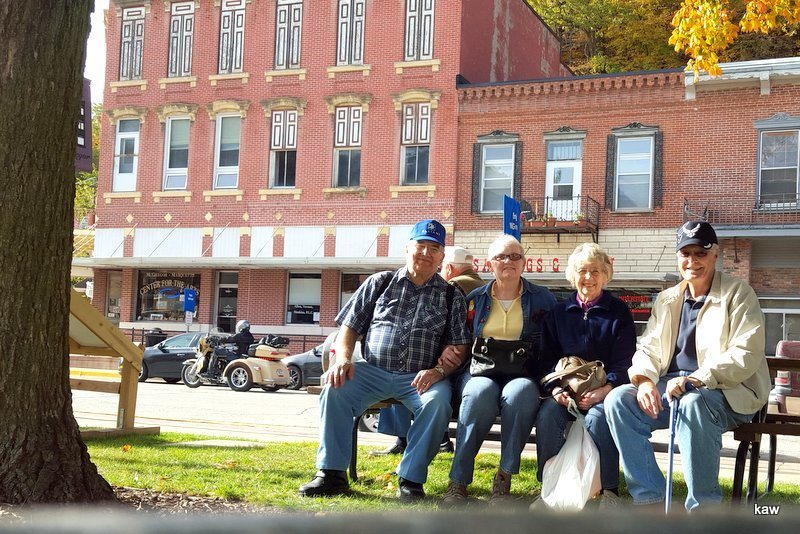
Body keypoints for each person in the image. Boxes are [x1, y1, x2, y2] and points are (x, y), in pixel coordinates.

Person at [298, 219, 471, 500]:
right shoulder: (380, 282)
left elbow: (459, 346)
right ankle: (331, 474)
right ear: (407, 249)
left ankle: (411, 479)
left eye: (434, 248)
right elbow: (349, 328)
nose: (426, 253)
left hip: (421, 376)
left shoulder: (452, 295)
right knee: (335, 389)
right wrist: (342, 359)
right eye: (421, 245)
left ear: (442, 257)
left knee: (437, 403)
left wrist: (438, 370)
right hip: (373, 370)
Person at [605, 221, 771, 511]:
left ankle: (703, 510)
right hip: (671, 387)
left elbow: (746, 352)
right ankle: (651, 501)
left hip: (728, 391)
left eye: (700, 253)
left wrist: (697, 378)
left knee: (694, 402)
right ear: (678, 257)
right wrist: (644, 381)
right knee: (618, 400)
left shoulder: (738, 294)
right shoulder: (668, 298)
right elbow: (649, 347)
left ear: (715, 255)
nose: (692, 261)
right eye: (686, 254)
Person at [440, 234, 556, 507]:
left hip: (522, 373)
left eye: (515, 256)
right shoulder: (474, 299)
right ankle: (458, 482)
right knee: (478, 393)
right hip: (480, 371)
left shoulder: (543, 299)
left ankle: (504, 477)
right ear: (489, 263)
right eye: (501, 256)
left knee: (523, 393)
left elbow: (554, 341)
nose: (508, 261)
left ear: (524, 263)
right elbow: (459, 340)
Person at [534, 243, 636, 508]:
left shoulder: (619, 312)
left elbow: (625, 360)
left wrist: (605, 390)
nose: (588, 277)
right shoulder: (558, 314)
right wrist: (556, 390)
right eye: (582, 271)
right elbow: (545, 359)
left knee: (599, 419)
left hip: (604, 392)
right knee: (546, 418)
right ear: (572, 275)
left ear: (606, 275)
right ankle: (547, 488)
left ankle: (609, 491)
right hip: (564, 393)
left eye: (596, 271)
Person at [370, 245, 484, 457]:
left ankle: (403, 439)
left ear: (447, 267)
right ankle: (422, 441)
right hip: (472, 361)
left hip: (450, 362)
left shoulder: (451, 287)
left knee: (408, 370)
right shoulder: (482, 285)